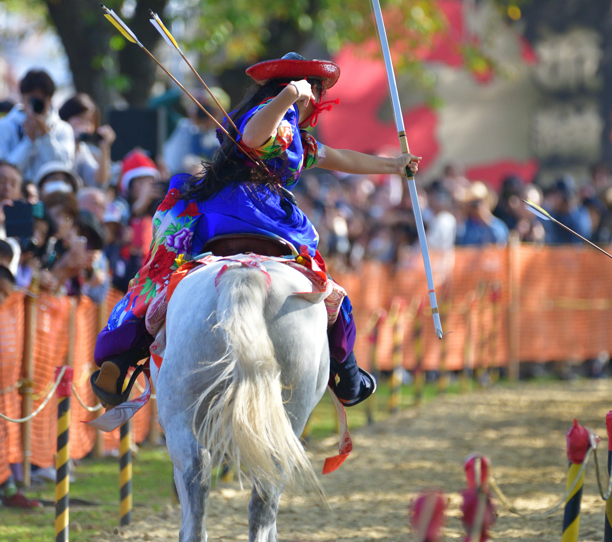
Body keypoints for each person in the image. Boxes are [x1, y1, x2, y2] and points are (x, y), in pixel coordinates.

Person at [92, 51, 420, 408]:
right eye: (317, 94)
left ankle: (124, 359)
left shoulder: (296, 134)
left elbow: (343, 158)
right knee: (323, 284)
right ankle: (347, 374)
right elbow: (252, 136)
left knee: (162, 277)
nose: (318, 104)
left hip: (214, 217)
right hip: (260, 217)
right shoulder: (279, 117)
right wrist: (289, 97)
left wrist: (395, 166)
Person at [0, 69, 75, 182]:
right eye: (31, 99)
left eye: (40, 101)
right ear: (22, 98)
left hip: (49, 194)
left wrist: (45, 136)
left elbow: (64, 167)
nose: (35, 105)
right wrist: (28, 142)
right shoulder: (5, 126)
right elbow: (5, 172)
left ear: (49, 101)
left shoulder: (63, 129)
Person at [58, 93, 116, 188]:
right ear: (66, 117)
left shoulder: (82, 150)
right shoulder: (53, 140)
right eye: (80, 118)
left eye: (90, 121)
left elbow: (99, 182)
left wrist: (105, 148)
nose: (86, 125)